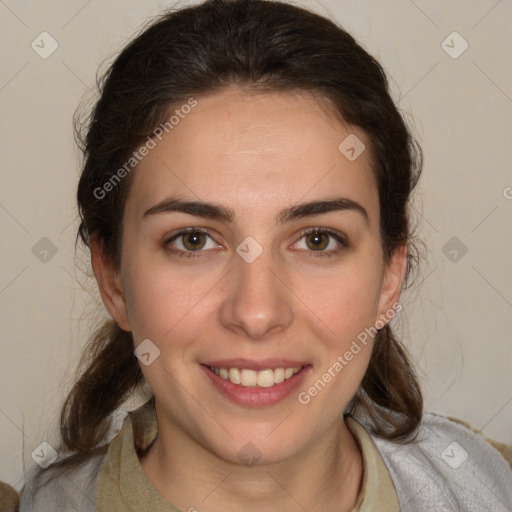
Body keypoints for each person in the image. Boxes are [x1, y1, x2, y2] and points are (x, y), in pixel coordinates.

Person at [18, 0, 512, 510]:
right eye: (193, 240)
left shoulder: (487, 485)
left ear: (390, 276)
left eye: (318, 240)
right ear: (114, 278)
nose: (256, 313)